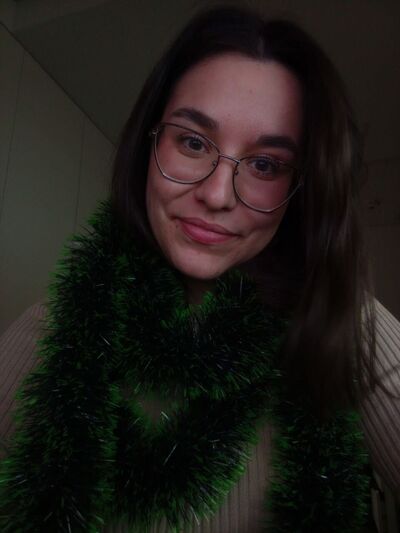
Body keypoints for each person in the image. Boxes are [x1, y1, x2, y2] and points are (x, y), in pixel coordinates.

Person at [0, 6, 399, 533]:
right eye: (192, 142)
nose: (216, 194)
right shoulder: (56, 325)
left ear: (301, 188)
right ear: (149, 142)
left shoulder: (342, 320)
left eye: (266, 165)